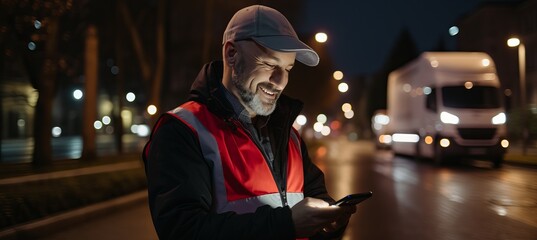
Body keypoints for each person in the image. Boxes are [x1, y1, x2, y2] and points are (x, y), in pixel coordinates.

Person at [143, 5, 356, 240]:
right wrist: (286, 224)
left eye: (288, 68)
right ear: (231, 54)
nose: (280, 81)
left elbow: (315, 202)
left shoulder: (290, 136)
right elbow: (183, 230)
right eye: (270, 64)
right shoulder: (182, 130)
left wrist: (330, 224)